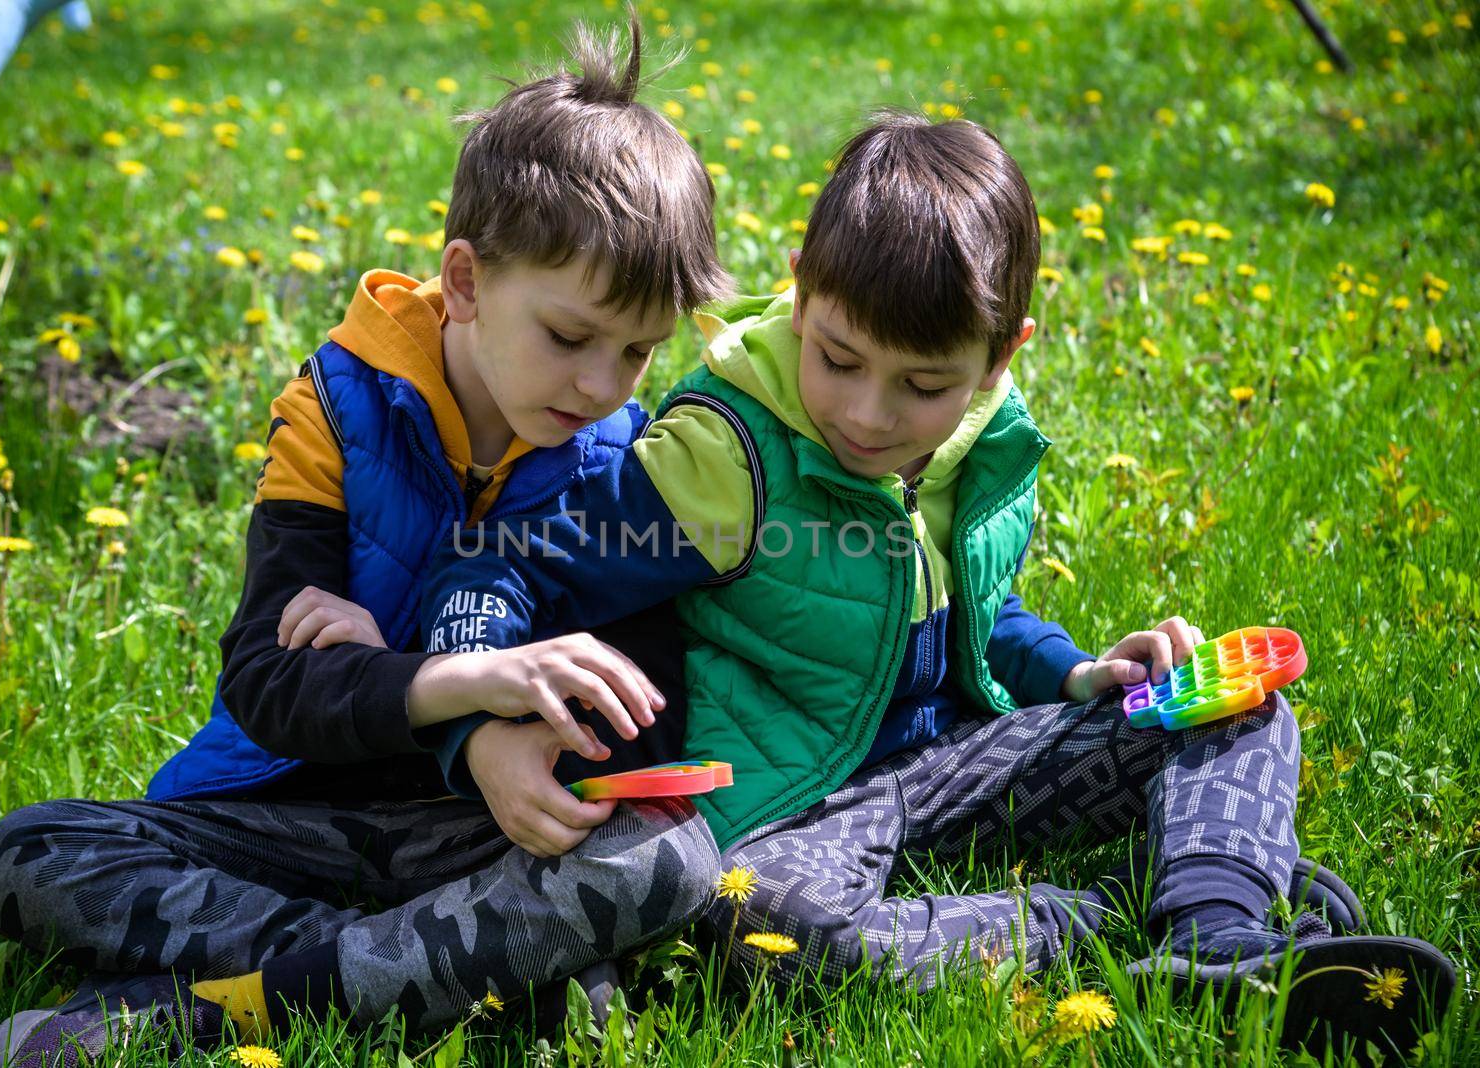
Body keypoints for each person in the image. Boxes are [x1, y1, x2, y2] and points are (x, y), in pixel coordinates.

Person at [406, 113, 1457, 1055]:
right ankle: (1102, 926)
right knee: (763, 929)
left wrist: (1080, 671)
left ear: (1001, 357)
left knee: (1238, 700)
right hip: (791, 816)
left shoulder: (979, 444)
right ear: (803, 294)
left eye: (921, 385)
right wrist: (476, 720)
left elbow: (971, 618)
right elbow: (501, 561)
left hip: (954, 763)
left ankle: (1220, 942)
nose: (867, 415)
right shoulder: (723, 461)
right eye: (837, 357)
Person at [0, 16, 732, 1066]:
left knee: (670, 860)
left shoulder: (628, 462)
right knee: (35, 849)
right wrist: (456, 683)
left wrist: (483, 729)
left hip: (472, 834)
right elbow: (269, 685)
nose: (603, 386)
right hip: (280, 812)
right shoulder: (337, 410)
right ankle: (471, 980)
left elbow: (636, 714)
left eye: (638, 351)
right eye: (568, 337)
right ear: (464, 283)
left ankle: (197, 1011)